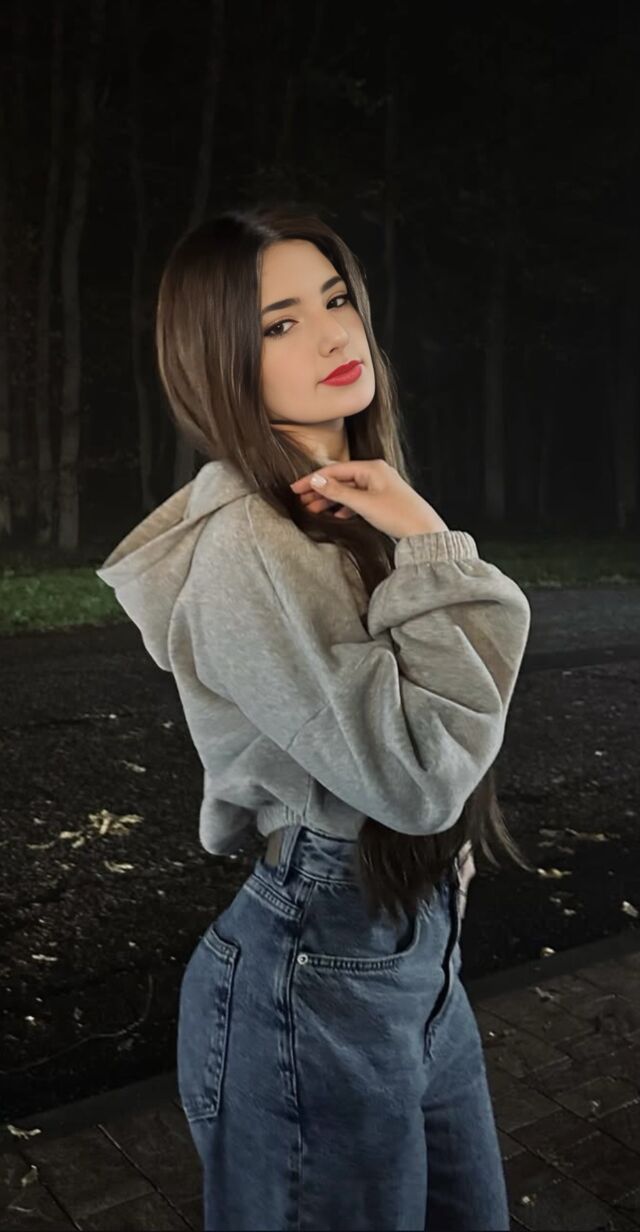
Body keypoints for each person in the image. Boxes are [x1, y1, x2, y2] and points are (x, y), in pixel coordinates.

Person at [96, 204, 532, 1231]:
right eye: (279, 323)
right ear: (220, 361)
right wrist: (431, 540)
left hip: (408, 955)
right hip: (314, 978)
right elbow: (418, 778)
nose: (333, 334)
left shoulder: (340, 508)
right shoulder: (252, 544)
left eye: (336, 300)